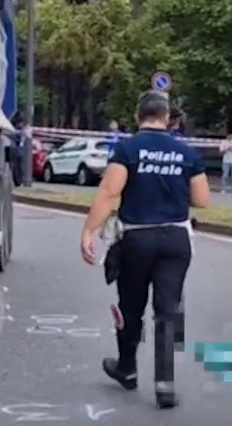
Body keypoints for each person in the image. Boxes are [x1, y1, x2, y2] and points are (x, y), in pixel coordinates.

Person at [80, 91, 210, 409]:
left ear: (139, 117)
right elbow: (202, 199)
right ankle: (165, 385)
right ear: (167, 117)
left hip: (137, 239)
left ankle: (127, 368)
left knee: (131, 306)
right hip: (176, 240)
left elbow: (109, 193)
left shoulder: (127, 149)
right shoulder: (186, 152)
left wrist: (89, 231)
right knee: (167, 309)